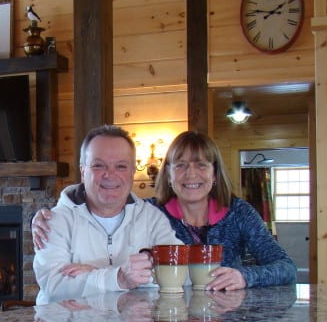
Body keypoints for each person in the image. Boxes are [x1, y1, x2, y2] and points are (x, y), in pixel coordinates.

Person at [33, 131, 296, 290]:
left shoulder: (239, 213)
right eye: (180, 165)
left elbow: (286, 267)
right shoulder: (150, 213)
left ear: (215, 173)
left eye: (201, 165)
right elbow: (101, 208)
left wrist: (244, 276)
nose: (191, 174)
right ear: (168, 174)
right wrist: (47, 215)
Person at [32, 124, 181, 304]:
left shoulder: (152, 218)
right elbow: (54, 286)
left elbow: (178, 272)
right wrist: (118, 277)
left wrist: (95, 272)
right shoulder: (54, 221)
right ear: (82, 171)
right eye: (98, 165)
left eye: (121, 166)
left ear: (133, 172)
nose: (110, 175)